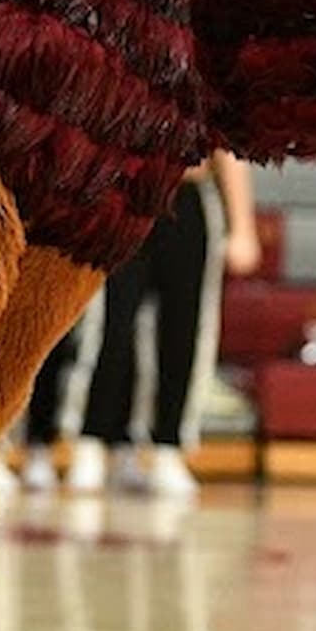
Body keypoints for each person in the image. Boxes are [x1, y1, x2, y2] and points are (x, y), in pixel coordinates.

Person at [62, 154, 261, 500]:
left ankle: (169, 446)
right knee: (111, 326)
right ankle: (92, 440)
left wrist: (242, 226)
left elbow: (230, 150)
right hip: (123, 197)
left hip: (187, 196)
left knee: (183, 329)